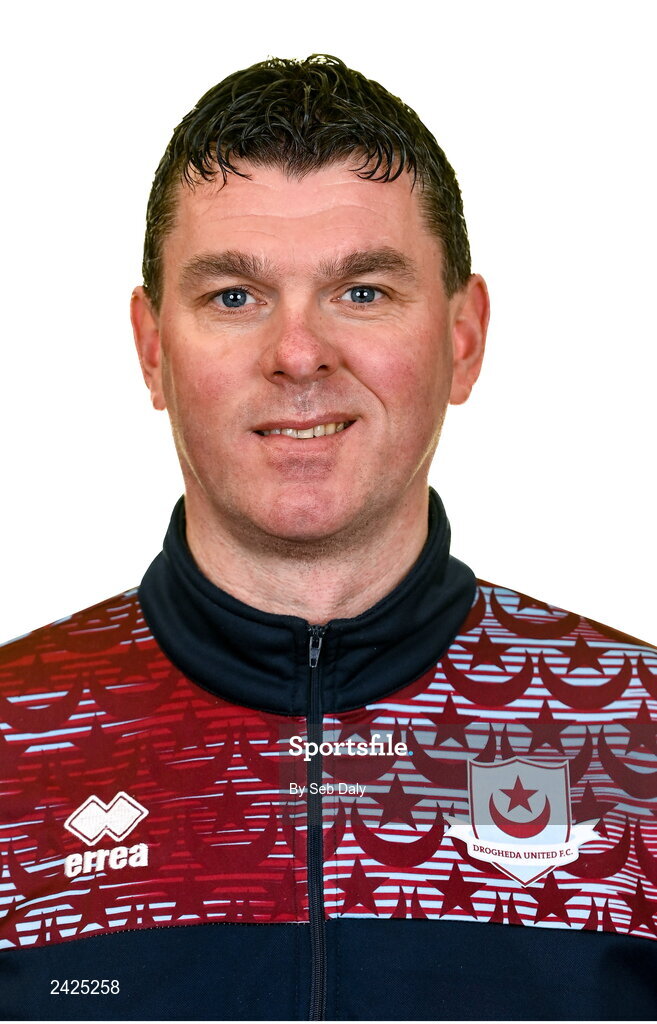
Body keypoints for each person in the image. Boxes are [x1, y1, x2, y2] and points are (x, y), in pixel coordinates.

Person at [1, 54, 656, 1022]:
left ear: (464, 336)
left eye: (362, 291)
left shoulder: (638, 736)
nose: (299, 353)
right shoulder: (14, 738)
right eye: (234, 296)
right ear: (151, 349)